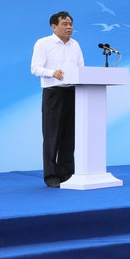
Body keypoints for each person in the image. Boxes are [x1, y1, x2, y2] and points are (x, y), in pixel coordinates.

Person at [31, 11, 85, 187]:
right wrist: (52, 72)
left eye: (71, 24)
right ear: (53, 26)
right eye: (65, 24)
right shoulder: (43, 43)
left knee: (69, 136)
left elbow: (81, 67)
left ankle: (67, 173)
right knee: (52, 136)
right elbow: (35, 68)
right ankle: (51, 175)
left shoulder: (75, 45)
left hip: (72, 93)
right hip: (53, 93)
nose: (69, 27)